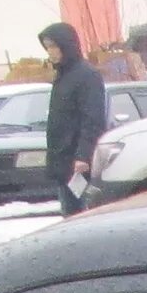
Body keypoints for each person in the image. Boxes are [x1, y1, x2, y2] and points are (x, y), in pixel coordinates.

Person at [39, 22, 109, 217]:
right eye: (47, 47)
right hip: (63, 161)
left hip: (78, 163)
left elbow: (92, 119)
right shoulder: (63, 76)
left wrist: (83, 155)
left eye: (54, 46)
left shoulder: (87, 76)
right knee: (69, 214)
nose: (50, 52)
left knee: (82, 215)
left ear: (66, 45)